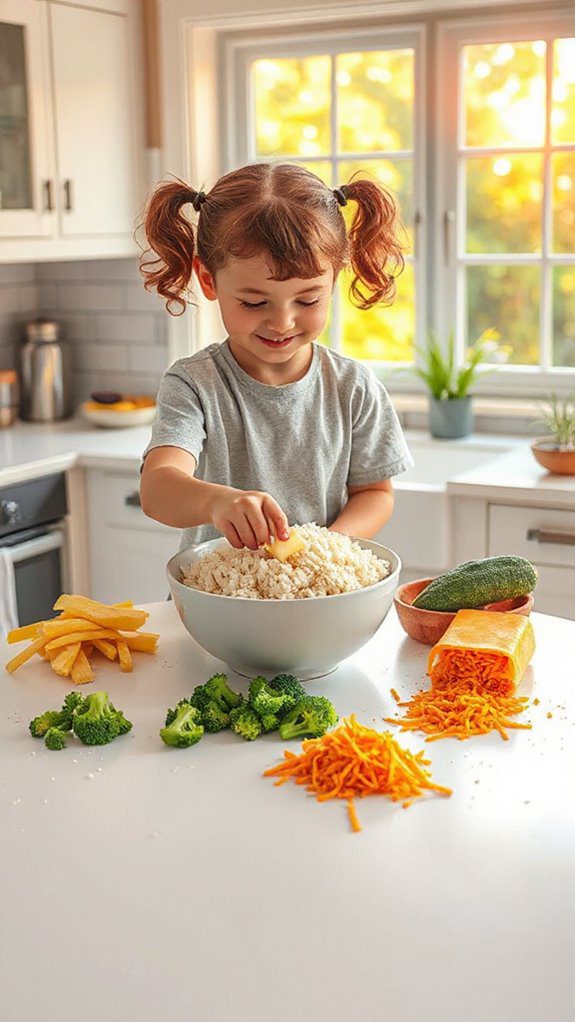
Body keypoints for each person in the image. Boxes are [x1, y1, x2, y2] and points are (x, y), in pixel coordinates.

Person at [139, 161, 413, 552]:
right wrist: (217, 502)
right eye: (254, 302)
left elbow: (375, 493)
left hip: (317, 600)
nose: (282, 322)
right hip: (216, 607)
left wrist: (324, 548)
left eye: (308, 299)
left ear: (334, 281)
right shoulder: (194, 385)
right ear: (207, 280)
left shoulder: (353, 386)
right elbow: (157, 488)